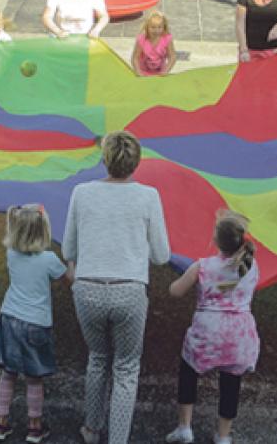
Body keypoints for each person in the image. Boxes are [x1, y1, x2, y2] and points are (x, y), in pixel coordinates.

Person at [62, 130, 171, 444]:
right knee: (126, 367)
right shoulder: (148, 196)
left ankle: (92, 429)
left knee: (97, 358)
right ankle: (118, 438)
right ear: (136, 162)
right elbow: (161, 255)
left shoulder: (81, 193)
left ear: (105, 159)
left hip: (88, 289)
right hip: (129, 292)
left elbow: (69, 250)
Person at [164, 210, 259, 444]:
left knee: (189, 370)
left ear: (215, 240)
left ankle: (185, 427)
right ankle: (223, 436)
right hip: (239, 335)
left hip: (207, 333)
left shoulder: (202, 266)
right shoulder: (251, 266)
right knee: (231, 381)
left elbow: (175, 291)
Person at [0, 204, 68, 443]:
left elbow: (12, 225)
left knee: (8, 374)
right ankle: (34, 426)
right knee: (34, 378)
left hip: (9, 318)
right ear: (44, 231)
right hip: (36, 323)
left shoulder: (11, 253)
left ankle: (0, 424)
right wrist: (72, 262)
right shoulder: (49, 260)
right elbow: (68, 280)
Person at [131, 11, 176, 76]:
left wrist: (165, 71)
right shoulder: (141, 39)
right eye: (153, 27)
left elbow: (172, 56)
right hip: (143, 73)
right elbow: (135, 58)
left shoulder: (167, 39)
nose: (156, 30)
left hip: (161, 73)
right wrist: (139, 73)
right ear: (147, 27)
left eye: (159, 27)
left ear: (164, 27)